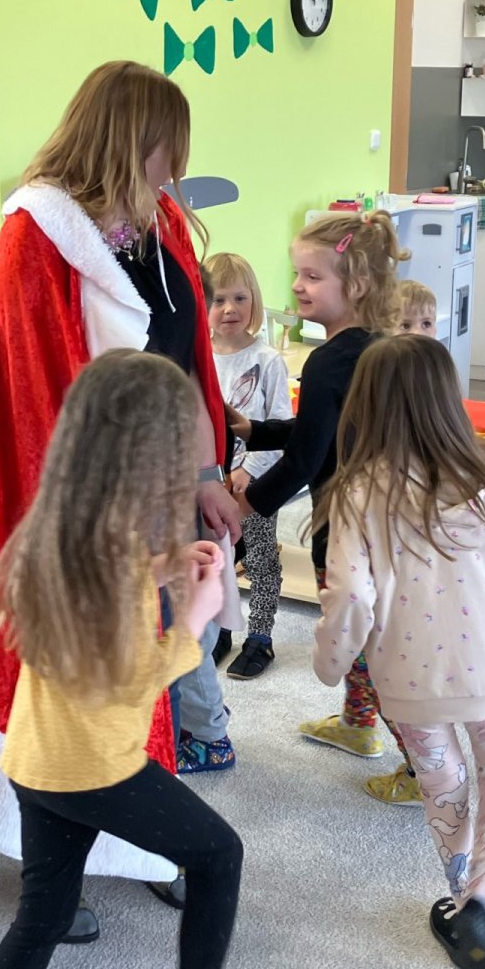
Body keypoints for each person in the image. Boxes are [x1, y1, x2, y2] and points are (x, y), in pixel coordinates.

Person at [0, 353, 281, 969]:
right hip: (92, 766)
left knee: (43, 915)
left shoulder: (72, 525)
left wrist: (168, 569)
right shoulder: (101, 546)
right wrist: (194, 618)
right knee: (218, 854)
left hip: (39, 759)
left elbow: (106, 607)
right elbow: (127, 684)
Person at [0, 61, 240, 939]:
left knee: (154, 665)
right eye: (165, 148)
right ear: (127, 139)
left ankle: (148, 839)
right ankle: (53, 872)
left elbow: (186, 361)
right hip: (77, 504)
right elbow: (34, 397)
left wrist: (203, 476)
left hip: (158, 484)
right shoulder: (35, 234)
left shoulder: (161, 222)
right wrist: (97, 519)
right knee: (70, 681)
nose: (175, 168)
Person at [312, 336, 485, 969]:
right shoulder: (484, 480)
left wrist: (329, 663)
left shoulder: (356, 493)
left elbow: (351, 596)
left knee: (443, 788)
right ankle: (482, 897)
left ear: (365, 405)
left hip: (409, 678)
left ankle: (460, 898)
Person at [227, 213, 408, 760]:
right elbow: (323, 431)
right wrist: (255, 430)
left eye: (312, 277)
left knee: (369, 643)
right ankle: (358, 723)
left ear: (356, 285)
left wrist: (246, 506)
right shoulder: (380, 347)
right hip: (389, 520)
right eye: (297, 274)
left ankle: (422, 766)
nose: (298, 287)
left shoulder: (328, 361)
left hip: (347, 526)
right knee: (373, 636)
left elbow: (306, 459)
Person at [364, 275, 442, 808]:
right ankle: (361, 723)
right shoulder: (383, 384)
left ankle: (420, 768)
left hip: (422, 549)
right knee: (377, 660)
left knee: (401, 667)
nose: (417, 333)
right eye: (404, 324)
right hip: (392, 532)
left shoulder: (435, 383)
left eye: (427, 323)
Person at [206, 251, 291, 680]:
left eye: (240, 298)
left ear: (253, 302)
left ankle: (260, 636)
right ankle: (221, 629)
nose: (229, 309)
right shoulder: (199, 357)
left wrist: (249, 470)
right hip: (210, 484)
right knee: (217, 559)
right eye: (219, 299)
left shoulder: (268, 360)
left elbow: (281, 426)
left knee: (259, 559)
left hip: (254, 486)